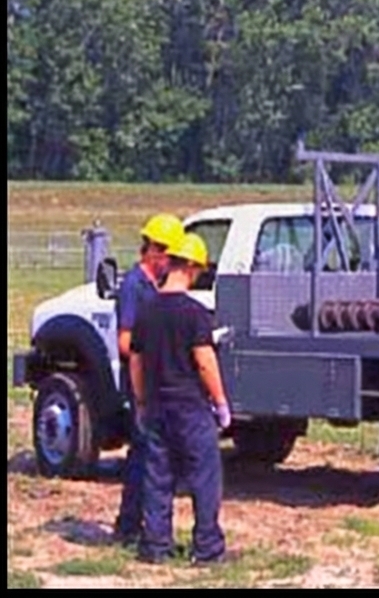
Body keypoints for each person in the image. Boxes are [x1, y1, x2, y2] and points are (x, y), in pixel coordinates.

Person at [129, 230, 231, 566]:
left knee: (158, 477)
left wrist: (141, 402)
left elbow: (136, 361)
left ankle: (155, 546)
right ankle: (208, 549)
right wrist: (220, 402)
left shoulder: (146, 310)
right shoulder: (194, 313)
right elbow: (204, 361)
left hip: (156, 405)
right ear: (190, 267)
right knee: (204, 478)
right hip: (190, 406)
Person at [113, 212, 185, 546]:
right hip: (139, 379)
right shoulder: (134, 286)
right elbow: (125, 342)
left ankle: (138, 522)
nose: (172, 261)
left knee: (152, 451)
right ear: (154, 250)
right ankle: (129, 524)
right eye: (170, 254)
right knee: (143, 451)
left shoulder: (157, 286)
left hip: (156, 378)